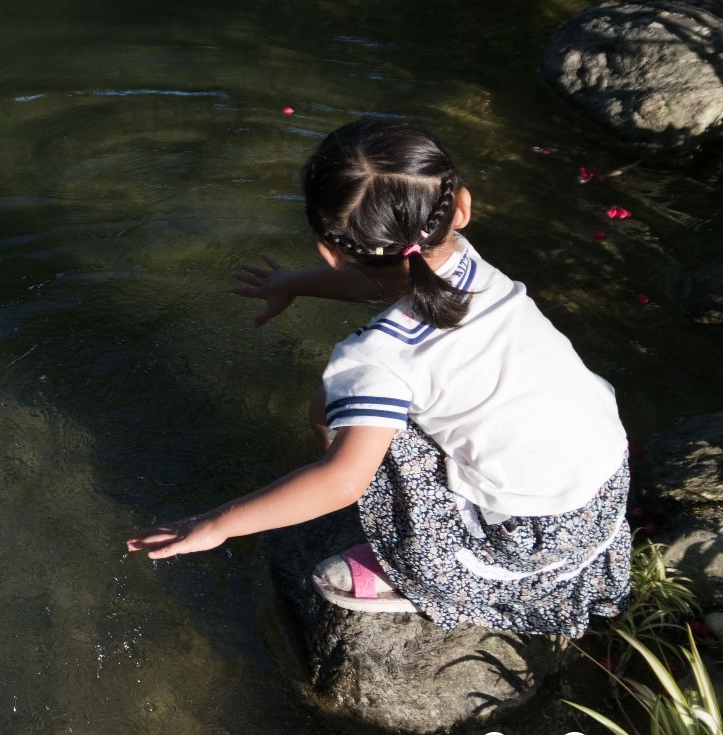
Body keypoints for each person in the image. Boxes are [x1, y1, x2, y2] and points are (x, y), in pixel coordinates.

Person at [125, 118, 630, 636]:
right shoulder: (468, 264)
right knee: (336, 405)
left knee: (338, 438)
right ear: (460, 208)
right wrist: (295, 285)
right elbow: (396, 280)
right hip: (603, 489)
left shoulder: (375, 359)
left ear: (329, 248)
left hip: (528, 535)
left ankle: (420, 575)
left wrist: (213, 526)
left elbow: (343, 483)